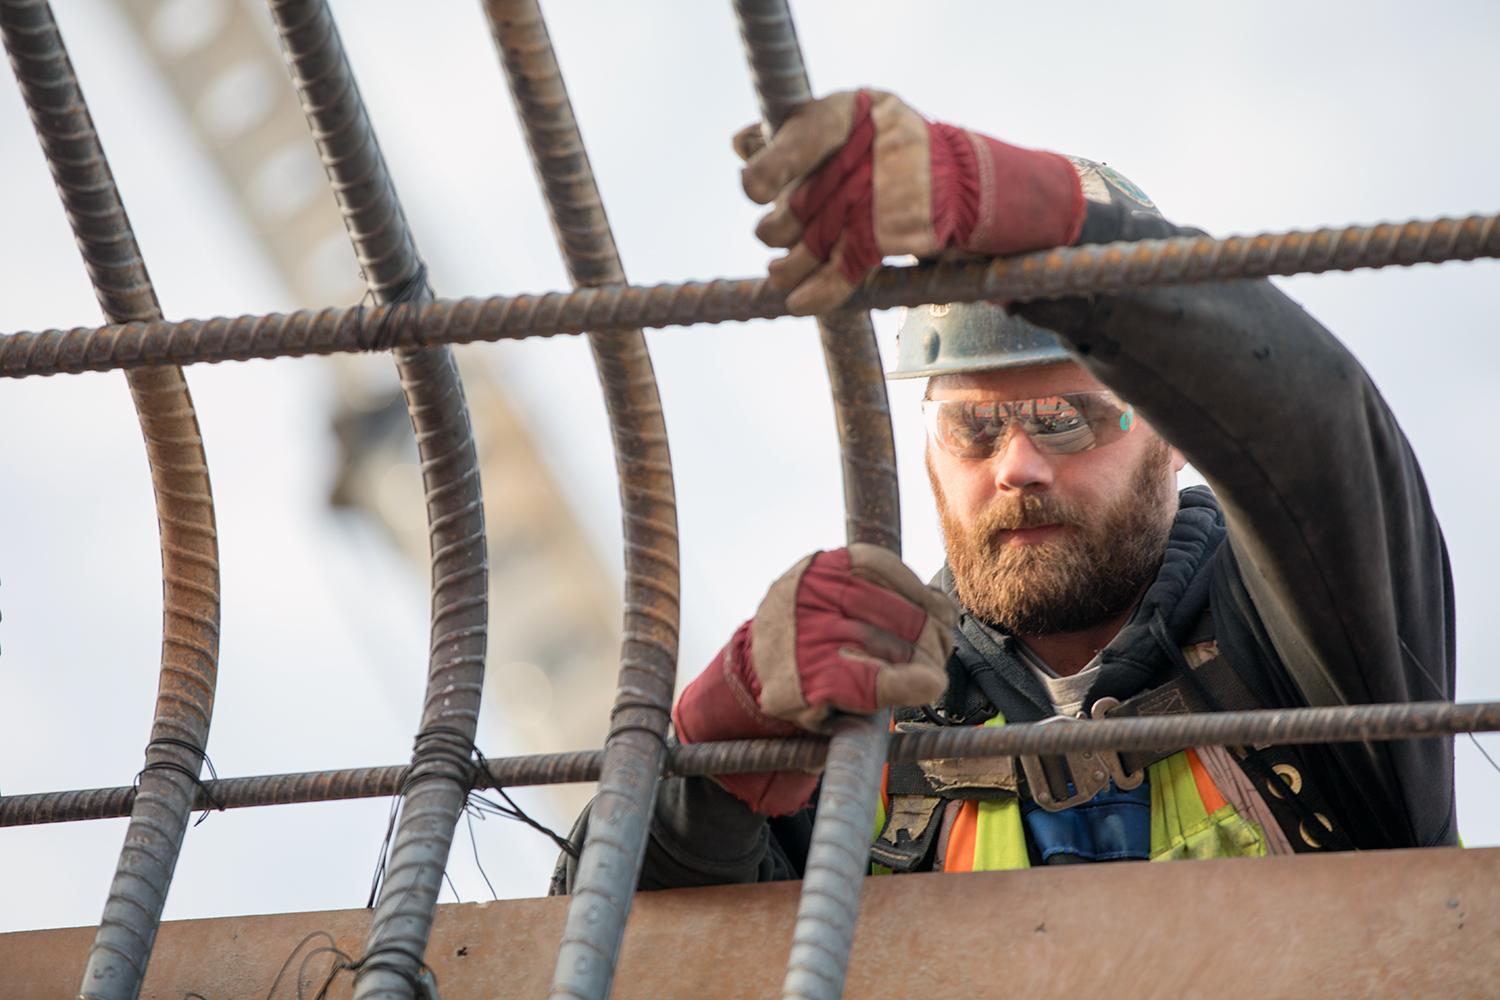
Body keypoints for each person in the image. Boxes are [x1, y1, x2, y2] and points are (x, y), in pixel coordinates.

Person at [554, 90, 1456, 889]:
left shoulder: (1304, 643)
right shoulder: (870, 716)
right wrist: (712, 764)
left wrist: (1047, 225)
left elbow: (1314, 427)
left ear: (1175, 433)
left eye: (1068, 416)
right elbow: (596, 948)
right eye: (974, 428)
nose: (1016, 465)